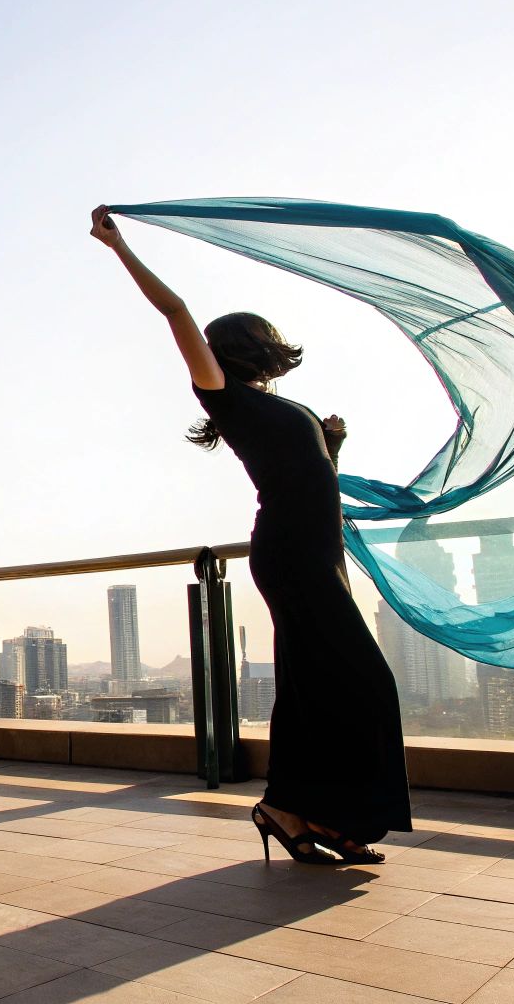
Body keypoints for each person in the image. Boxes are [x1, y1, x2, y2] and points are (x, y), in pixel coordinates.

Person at [90, 205, 411, 865]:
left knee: (308, 687)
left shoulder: (279, 405)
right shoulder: (228, 397)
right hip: (292, 555)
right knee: (362, 682)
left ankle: (296, 810)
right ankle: (318, 810)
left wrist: (334, 446)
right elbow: (175, 311)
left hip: (320, 555)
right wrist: (117, 245)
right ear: (248, 347)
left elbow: (315, 482)